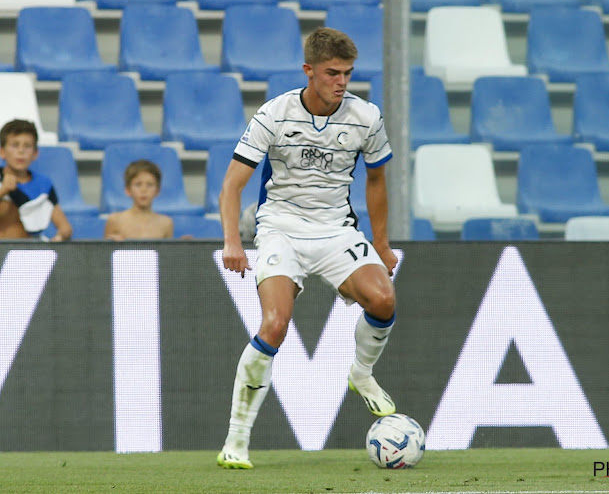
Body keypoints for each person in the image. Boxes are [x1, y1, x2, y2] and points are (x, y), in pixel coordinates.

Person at [217, 27, 398, 470]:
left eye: (348, 73)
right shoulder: (274, 115)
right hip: (281, 227)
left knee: (384, 300)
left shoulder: (365, 117)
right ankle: (236, 440)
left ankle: (361, 374)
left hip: (336, 229)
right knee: (275, 324)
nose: (341, 82)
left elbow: (376, 180)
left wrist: (382, 243)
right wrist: (232, 240)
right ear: (309, 71)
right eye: (332, 73)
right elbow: (233, 183)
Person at [0, 119, 72, 241]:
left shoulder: (43, 185)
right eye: (15, 145)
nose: (21, 151)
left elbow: (65, 228)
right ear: (2, 151)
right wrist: (3, 191)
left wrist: (59, 237)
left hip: (31, 253)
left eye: (27, 146)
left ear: (35, 153)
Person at [104, 159, 173, 240]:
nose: (144, 190)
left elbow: (168, 252)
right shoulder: (115, 220)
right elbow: (105, 251)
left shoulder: (166, 223)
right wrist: (113, 245)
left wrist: (185, 246)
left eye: (150, 185)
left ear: (157, 191)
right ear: (128, 190)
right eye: (138, 184)